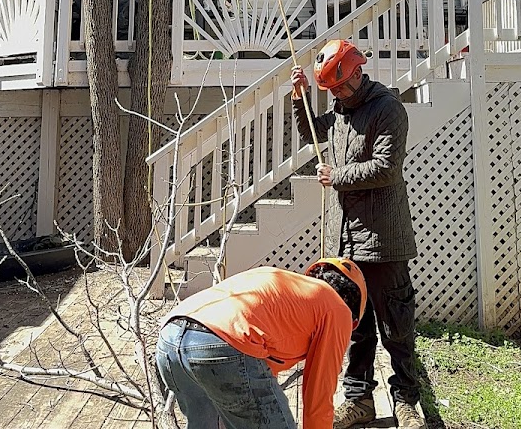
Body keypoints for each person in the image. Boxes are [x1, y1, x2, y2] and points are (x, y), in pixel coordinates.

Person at [291, 40, 424, 429]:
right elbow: (313, 136)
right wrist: (300, 99)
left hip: (384, 240)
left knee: (396, 325)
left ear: (355, 73)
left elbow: (387, 167)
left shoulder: (388, 109)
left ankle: (406, 402)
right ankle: (359, 400)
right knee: (355, 328)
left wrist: (338, 177)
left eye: (339, 87)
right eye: (329, 91)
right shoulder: (340, 109)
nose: (335, 95)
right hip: (345, 241)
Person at [155, 258, 367, 429]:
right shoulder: (338, 310)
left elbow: (258, 371)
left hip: (170, 338)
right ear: (354, 319)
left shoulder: (289, 290)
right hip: (221, 344)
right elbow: (318, 399)